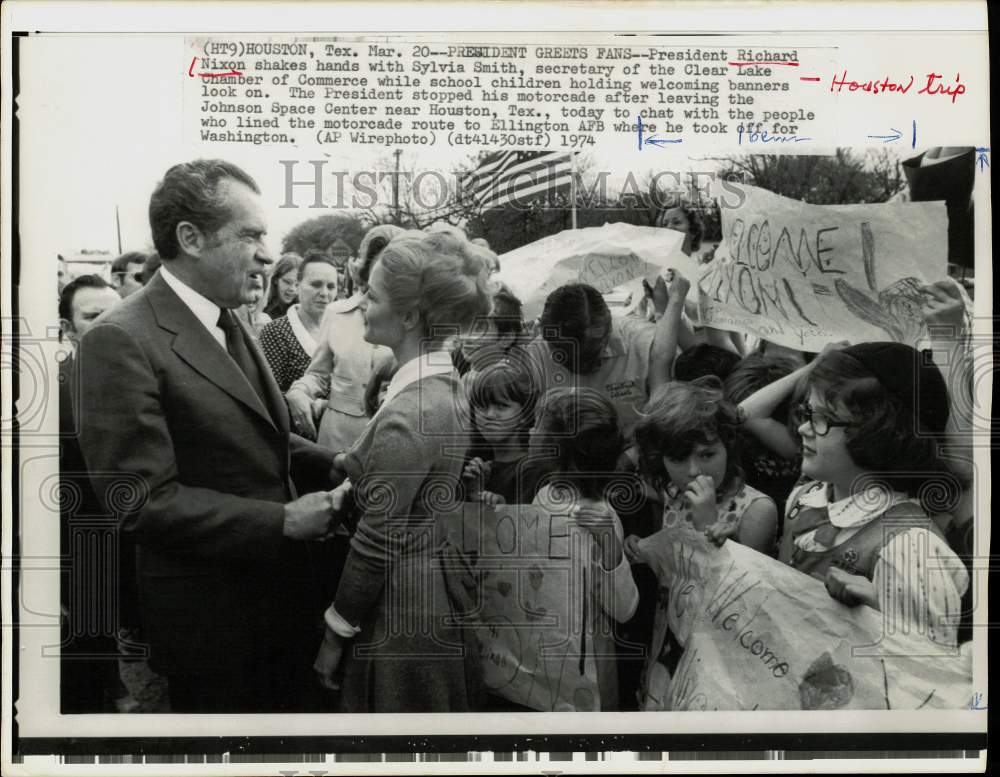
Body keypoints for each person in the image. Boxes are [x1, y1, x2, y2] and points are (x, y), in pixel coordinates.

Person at [76, 159, 342, 713]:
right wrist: (284, 521)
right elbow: (140, 501)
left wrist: (337, 462)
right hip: (216, 627)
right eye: (251, 235)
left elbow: (255, 435)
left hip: (280, 606)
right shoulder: (118, 340)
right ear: (190, 238)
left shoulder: (229, 317)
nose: (267, 254)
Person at [313, 231, 492, 712]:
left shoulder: (410, 411)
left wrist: (334, 634)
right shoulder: (442, 383)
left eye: (371, 295)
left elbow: (375, 544)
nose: (362, 304)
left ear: (410, 316)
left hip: (402, 608)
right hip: (430, 590)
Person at [775, 342, 968, 648]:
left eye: (823, 418)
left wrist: (882, 615)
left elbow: (933, 675)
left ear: (879, 433)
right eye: (808, 412)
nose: (803, 429)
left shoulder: (909, 547)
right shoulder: (805, 495)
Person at [527, 387, 639, 711]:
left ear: (556, 448)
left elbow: (625, 608)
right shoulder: (544, 496)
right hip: (543, 655)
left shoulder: (600, 518)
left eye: (537, 424)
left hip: (586, 661)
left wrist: (608, 544)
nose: (530, 430)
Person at [57, 275, 134, 712]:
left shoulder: (138, 377)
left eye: (115, 314)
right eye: (92, 317)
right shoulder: (57, 393)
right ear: (68, 330)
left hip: (133, 525)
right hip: (85, 531)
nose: (108, 325)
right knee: (92, 611)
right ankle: (111, 687)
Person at [286, 224, 406, 452]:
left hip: (391, 435)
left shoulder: (411, 318)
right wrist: (299, 392)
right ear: (366, 266)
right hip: (336, 437)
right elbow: (318, 375)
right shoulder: (336, 313)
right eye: (381, 263)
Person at [632, 380, 778, 554]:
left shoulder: (757, 510)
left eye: (707, 455)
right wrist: (646, 548)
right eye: (678, 459)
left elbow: (748, 579)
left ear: (728, 447)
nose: (694, 471)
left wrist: (707, 524)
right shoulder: (672, 492)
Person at [462, 360, 549, 506]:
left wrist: (496, 505)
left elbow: (526, 524)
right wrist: (472, 490)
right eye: (482, 406)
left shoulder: (532, 470)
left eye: (501, 406)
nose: (489, 414)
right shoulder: (471, 462)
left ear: (525, 415)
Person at [259, 254, 339, 392]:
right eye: (316, 284)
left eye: (331, 286)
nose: (324, 293)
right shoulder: (276, 332)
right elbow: (269, 395)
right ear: (299, 285)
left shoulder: (344, 329)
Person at [263, 252, 303, 319]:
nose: (293, 289)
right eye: (287, 282)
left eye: (297, 285)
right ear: (276, 279)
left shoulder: (300, 308)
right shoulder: (262, 303)